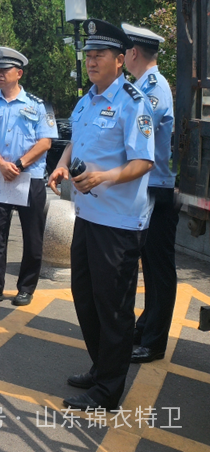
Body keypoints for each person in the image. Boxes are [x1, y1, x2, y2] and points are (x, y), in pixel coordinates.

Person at [48, 18, 154, 410]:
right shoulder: (86, 99)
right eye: (88, 55)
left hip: (119, 222)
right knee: (85, 298)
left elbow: (143, 162)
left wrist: (104, 177)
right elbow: (75, 142)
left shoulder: (132, 101)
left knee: (113, 307)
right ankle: (101, 367)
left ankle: (108, 390)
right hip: (88, 216)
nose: (92, 61)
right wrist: (62, 165)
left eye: (100, 55)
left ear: (121, 59)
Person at [0, 47, 57, 307]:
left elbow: (45, 142)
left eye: (4, 70)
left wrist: (18, 165)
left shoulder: (38, 105)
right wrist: (0, 163)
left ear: (18, 73)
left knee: (33, 237)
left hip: (28, 178)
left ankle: (26, 288)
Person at [122, 23, 179, 364]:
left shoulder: (154, 88)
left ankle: (155, 341)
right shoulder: (142, 85)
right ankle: (147, 325)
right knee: (151, 266)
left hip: (159, 186)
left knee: (159, 268)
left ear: (132, 53)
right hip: (151, 187)